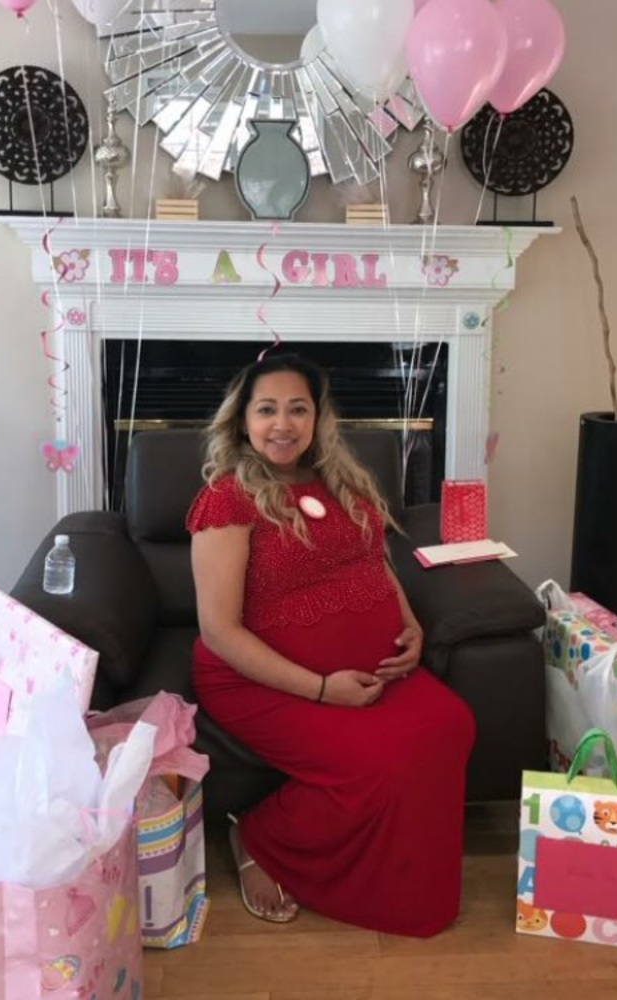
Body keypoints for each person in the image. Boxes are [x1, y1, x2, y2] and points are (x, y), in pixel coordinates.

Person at [186, 351, 476, 937]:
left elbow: (373, 562)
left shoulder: (339, 480)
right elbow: (219, 631)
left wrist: (410, 623)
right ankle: (260, 833)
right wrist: (322, 690)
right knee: (385, 763)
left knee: (453, 724)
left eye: (298, 409)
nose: (283, 424)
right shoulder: (228, 498)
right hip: (258, 682)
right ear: (243, 420)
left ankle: (403, 874)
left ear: (318, 419)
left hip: (369, 671)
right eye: (267, 410)